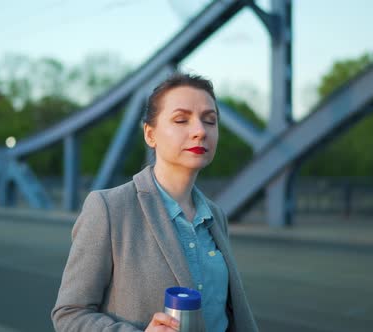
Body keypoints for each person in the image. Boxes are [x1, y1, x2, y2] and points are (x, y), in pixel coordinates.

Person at [51, 73, 258, 332]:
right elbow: (70, 315)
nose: (200, 131)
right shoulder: (108, 209)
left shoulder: (215, 216)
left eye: (210, 121)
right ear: (150, 134)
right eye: (181, 120)